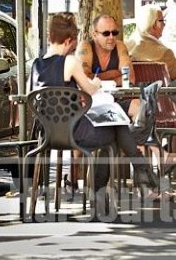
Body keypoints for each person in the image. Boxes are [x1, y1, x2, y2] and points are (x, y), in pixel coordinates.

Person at [29, 13, 159, 198]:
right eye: (73, 44)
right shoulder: (70, 62)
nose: (73, 48)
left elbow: (31, 97)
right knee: (116, 128)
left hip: (46, 134)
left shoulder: (35, 65)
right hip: (74, 132)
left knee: (116, 126)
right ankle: (109, 189)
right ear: (68, 41)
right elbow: (89, 88)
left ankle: (142, 179)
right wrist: (97, 82)